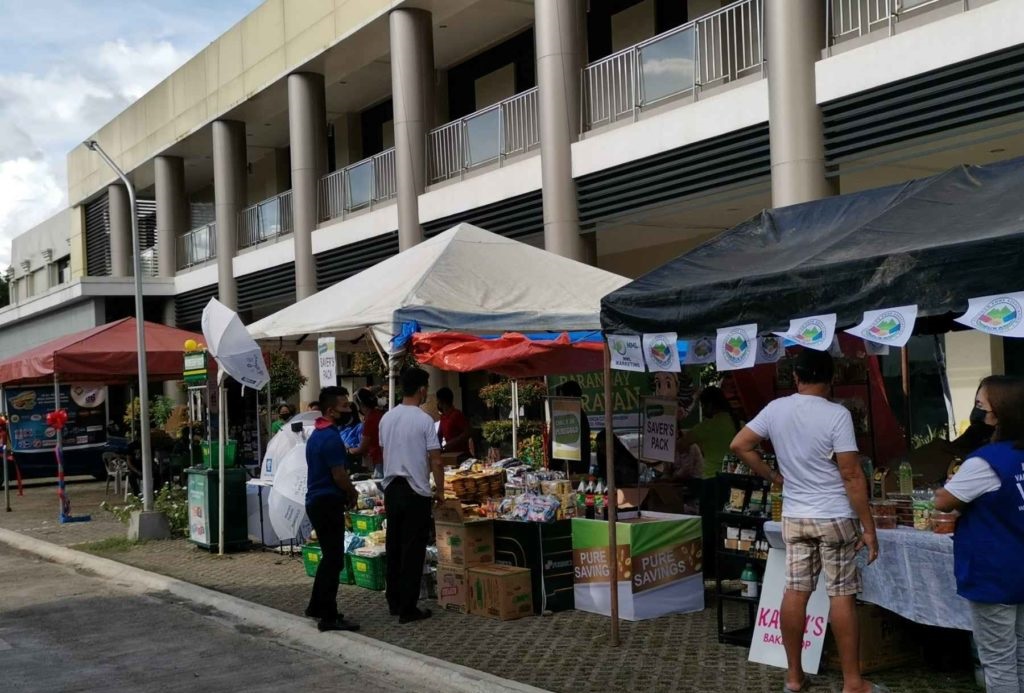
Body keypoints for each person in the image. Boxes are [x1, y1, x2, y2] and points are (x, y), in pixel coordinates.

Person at [730, 349, 883, 693]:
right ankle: (853, 682)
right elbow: (852, 475)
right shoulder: (837, 415)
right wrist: (869, 528)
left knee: (795, 592)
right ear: (832, 381)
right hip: (834, 515)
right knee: (841, 596)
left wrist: (773, 475)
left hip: (796, 515)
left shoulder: (775, 409)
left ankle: (794, 678)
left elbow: (740, 444)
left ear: (796, 378)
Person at [934, 376, 1024, 693]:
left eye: (979, 405)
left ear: (998, 413)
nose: (976, 411)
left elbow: (944, 501)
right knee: (1022, 658)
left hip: (993, 573)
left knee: (998, 664)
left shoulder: (986, 462)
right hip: (1019, 568)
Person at [379, 368, 443, 624]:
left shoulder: (387, 419)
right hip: (416, 490)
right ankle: (408, 607)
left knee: (393, 546)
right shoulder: (424, 420)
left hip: (392, 488)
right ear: (421, 389)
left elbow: (385, 450)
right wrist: (441, 490)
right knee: (412, 550)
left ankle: (394, 601)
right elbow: (436, 461)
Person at [303, 387, 360, 633]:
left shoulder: (317, 434)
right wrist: (352, 492)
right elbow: (339, 475)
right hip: (327, 502)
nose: (349, 410)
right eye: (344, 406)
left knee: (329, 557)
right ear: (330, 410)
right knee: (334, 560)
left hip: (317, 501)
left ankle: (316, 606)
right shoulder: (331, 438)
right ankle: (328, 615)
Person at [679, 386, 741, 578]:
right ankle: (733, 566)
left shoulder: (707, 426)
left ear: (710, 405)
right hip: (734, 482)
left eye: (703, 405)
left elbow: (681, 446)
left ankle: (711, 569)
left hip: (711, 481)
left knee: (709, 527)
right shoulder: (736, 422)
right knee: (732, 526)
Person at [553, 381, 591, 475]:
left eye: (562, 396)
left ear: (571, 395)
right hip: (569, 465)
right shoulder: (567, 413)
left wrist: (567, 462)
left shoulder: (576, 414)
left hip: (574, 467)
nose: (561, 400)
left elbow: (579, 442)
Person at [347, 388, 383, 477]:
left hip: (378, 460)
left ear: (360, 405)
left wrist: (348, 450)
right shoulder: (378, 415)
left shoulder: (370, 420)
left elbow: (362, 447)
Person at [436, 387, 470, 456]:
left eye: (437, 400)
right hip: (449, 454)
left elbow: (467, 433)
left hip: (461, 455)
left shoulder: (457, 414)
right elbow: (439, 435)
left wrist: (453, 442)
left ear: (442, 401)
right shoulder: (443, 416)